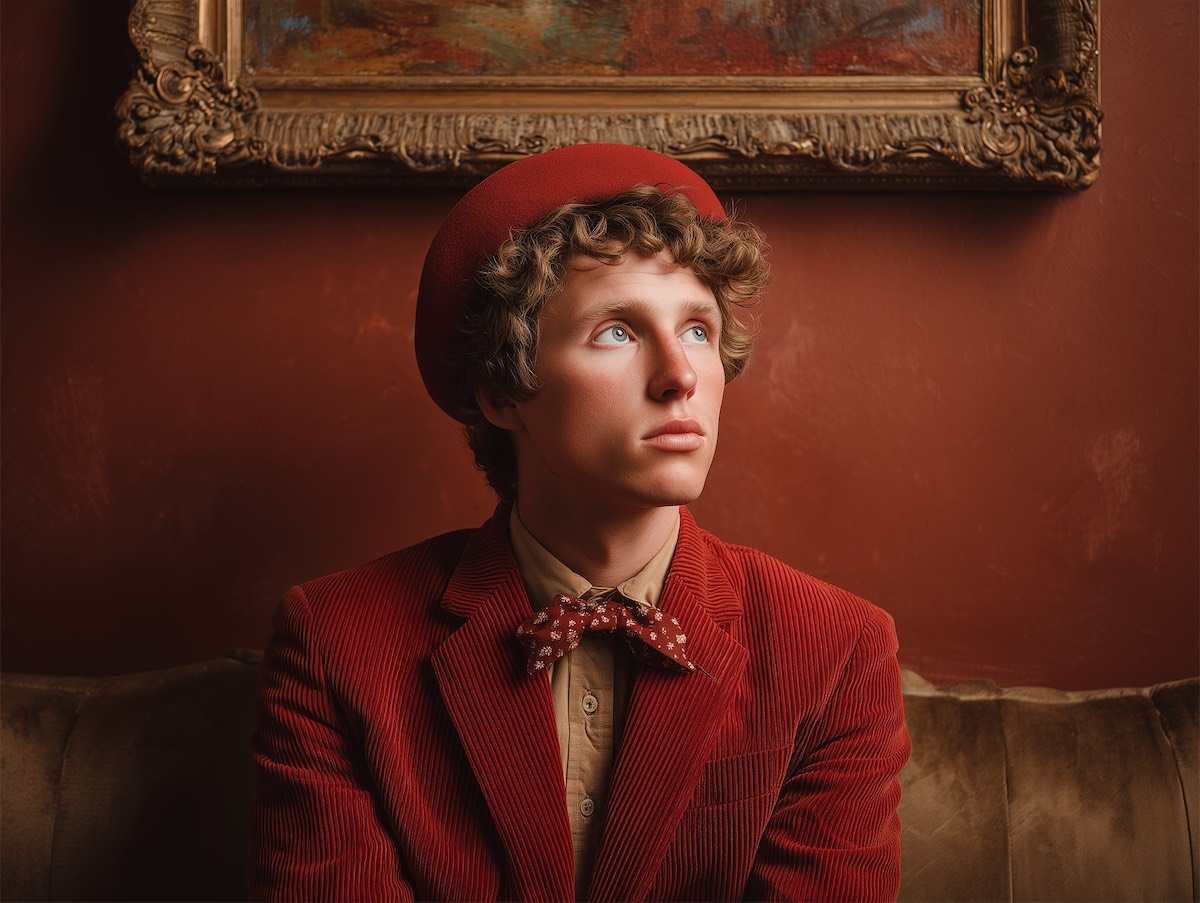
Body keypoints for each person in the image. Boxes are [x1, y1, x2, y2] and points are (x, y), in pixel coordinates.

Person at [248, 143, 910, 902]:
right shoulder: (334, 643)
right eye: (617, 331)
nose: (681, 375)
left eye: (698, 329)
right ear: (504, 392)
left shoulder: (838, 650)